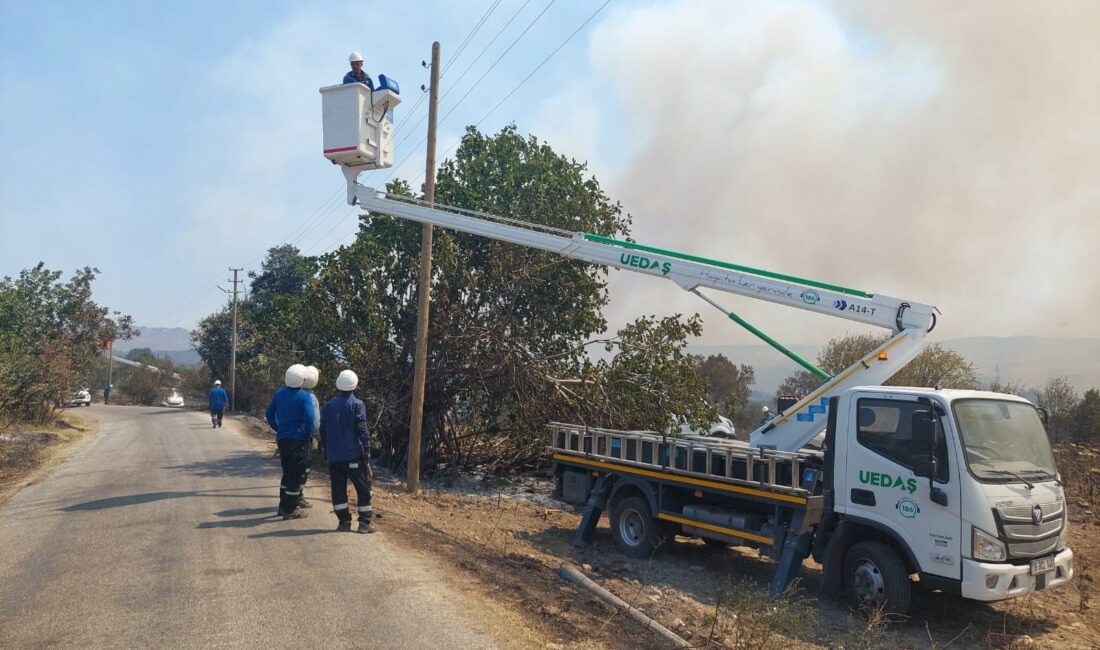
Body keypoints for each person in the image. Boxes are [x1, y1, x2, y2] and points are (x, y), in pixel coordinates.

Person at [320, 369, 376, 534]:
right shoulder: (357, 404)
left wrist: (326, 449)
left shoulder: (328, 406)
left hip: (334, 457)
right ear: (355, 385)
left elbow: (323, 430)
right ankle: (364, 523)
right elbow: (362, 430)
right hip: (353, 456)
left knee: (338, 489)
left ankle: (344, 522)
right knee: (363, 488)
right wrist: (367, 452)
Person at [266, 364, 317, 520]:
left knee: (287, 473)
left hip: (283, 440)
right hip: (299, 440)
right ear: (302, 380)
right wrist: (307, 434)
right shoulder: (305, 397)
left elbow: (269, 414)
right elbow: (309, 419)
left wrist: (278, 428)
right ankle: (290, 510)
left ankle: (283, 506)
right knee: (296, 475)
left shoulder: (279, 394)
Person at [296, 365, 322, 510]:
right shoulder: (311, 398)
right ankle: (298, 496)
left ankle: (292, 496)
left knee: (291, 468)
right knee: (304, 467)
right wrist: (317, 436)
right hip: (305, 438)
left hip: (288, 437)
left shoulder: (291, 392)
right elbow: (315, 421)